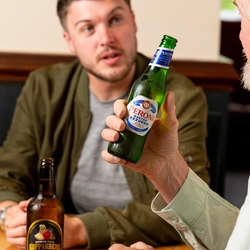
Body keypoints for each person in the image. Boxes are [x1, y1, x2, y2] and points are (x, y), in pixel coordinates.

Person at [0, 0, 210, 249]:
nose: (106, 38)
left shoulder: (179, 99)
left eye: (115, 20)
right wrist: (11, 213)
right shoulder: (43, 88)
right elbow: (8, 175)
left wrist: (81, 229)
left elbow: (189, 209)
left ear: (133, 22)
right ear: (69, 41)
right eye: (88, 28)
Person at [102, 0, 250, 249]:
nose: (240, 33)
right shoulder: (47, 85)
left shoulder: (183, 92)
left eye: (241, 12)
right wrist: (167, 171)